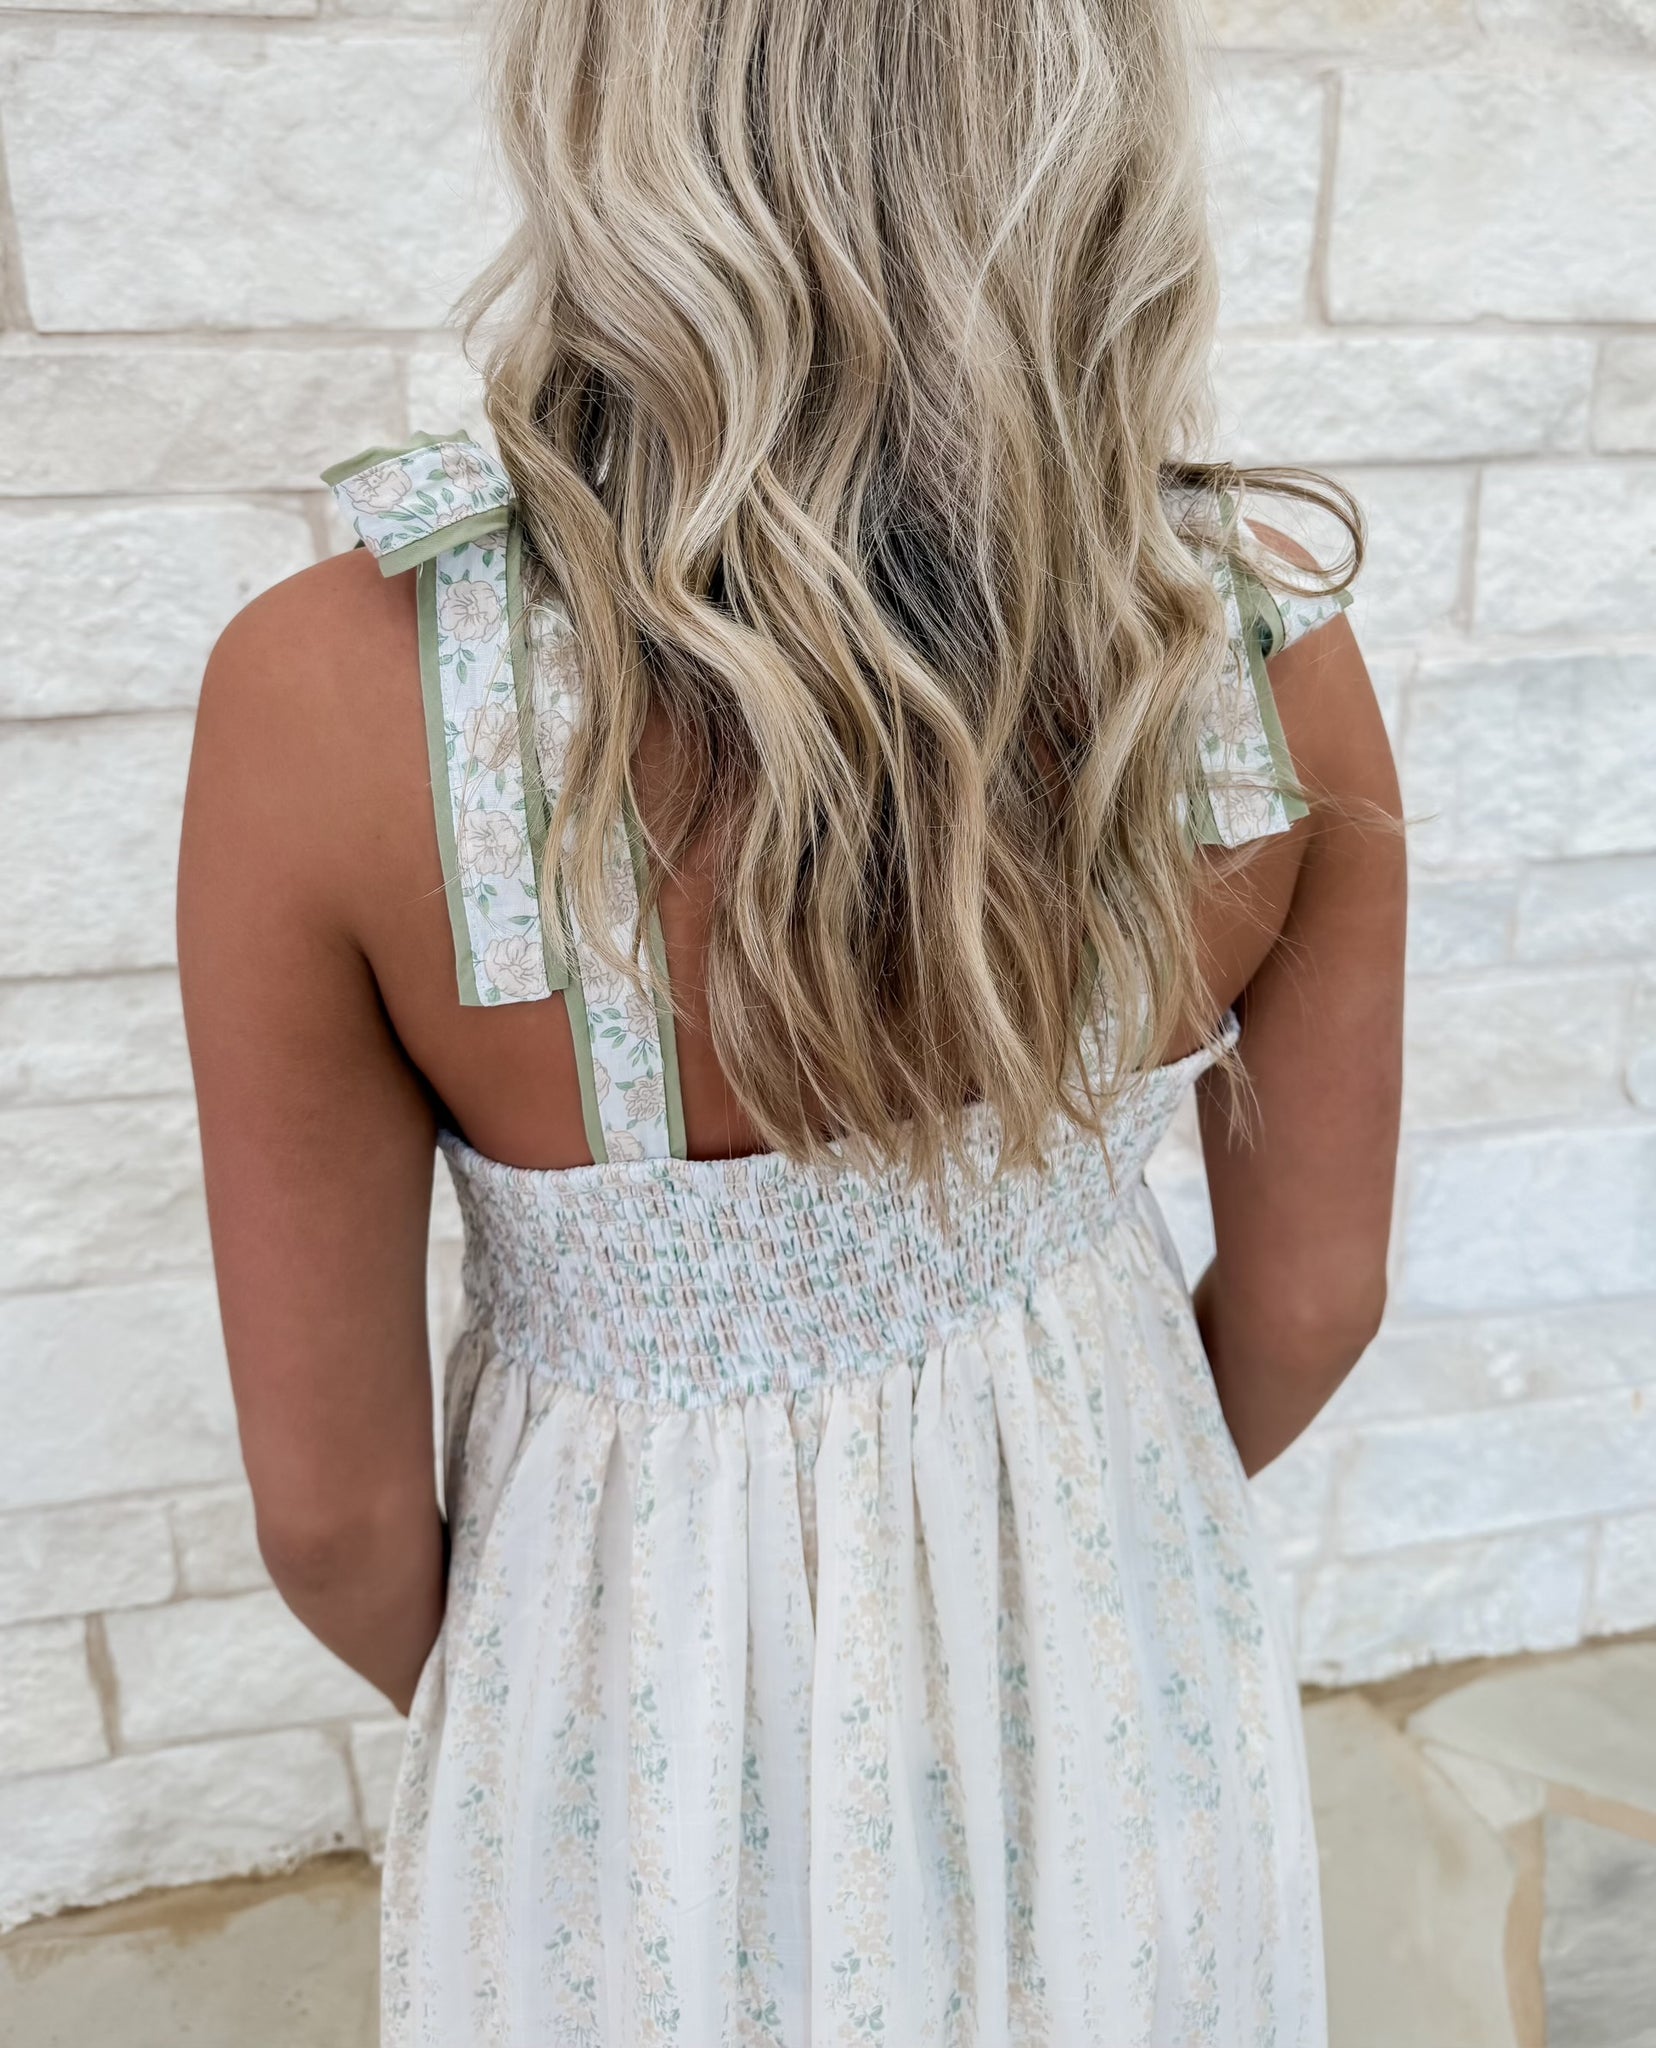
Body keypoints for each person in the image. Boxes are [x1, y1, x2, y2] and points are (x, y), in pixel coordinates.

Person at [176, 0, 1404, 2037]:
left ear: (606, 113)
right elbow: (1311, 1306)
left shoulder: (330, 697)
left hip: (625, 1691)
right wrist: (1076, 1544)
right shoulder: (1254, 650)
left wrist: (575, 1704)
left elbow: (335, 1523)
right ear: (1093, 139)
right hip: (1113, 1621)